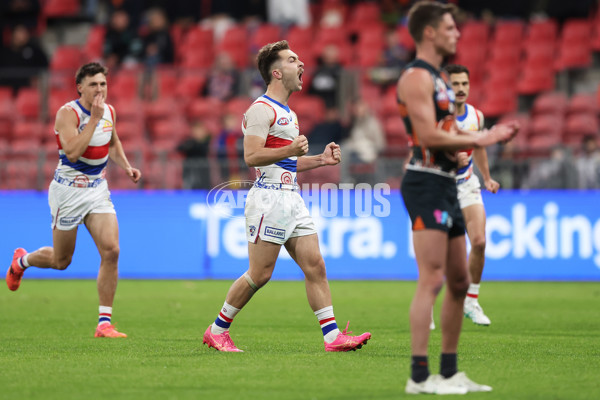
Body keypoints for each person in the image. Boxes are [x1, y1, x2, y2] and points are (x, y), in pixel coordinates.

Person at [202, 40, 371, 353]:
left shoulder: (289, 114)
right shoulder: (260, 110)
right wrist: (290, 149)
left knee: (315, 266)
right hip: (268, 199)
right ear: (276, 72)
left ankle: (332, 337)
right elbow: (251, 156)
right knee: (260, 274)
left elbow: (285, 161)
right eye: (293, 60)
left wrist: (320, 159)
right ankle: (217, 330)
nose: (301, 64)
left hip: (291, 196)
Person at [397, 2, 518, 395]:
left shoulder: (439, 80)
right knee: (432, 278)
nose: (458, 33)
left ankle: (448, 373)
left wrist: (470, 152)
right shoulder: (416, 77)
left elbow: (444, 132)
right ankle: (419, 378)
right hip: (425, 182)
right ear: (429, 32)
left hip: (448, 182)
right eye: (450, 27)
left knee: (460, 280)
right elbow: (428, 136)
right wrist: (478, 138)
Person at [5, 62, 142, 338]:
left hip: (97, 189)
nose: (99, 89)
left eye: (103, 84)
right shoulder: (68, 114)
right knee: (61, 260)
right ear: (80, 87)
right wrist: (93, 119)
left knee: (112, 250)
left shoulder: (109, 112)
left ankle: (104, 323)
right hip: (68, 191)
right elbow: (73, 153)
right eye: (93, 84)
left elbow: (112, 143)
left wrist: (126, 167)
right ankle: (22, 261)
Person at [445, 64, 497, 326]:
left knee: (479, 241)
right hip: (441, 187)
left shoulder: (476, 116)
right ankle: (431, 304)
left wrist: (486, 177)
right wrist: (452, 157)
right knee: (440, 253)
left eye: (464, 83)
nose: (461, 89)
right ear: (446, 87)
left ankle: (471, 301)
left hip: (467, 184)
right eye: (455, 84)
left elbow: (480, 146)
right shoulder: (436, 117)